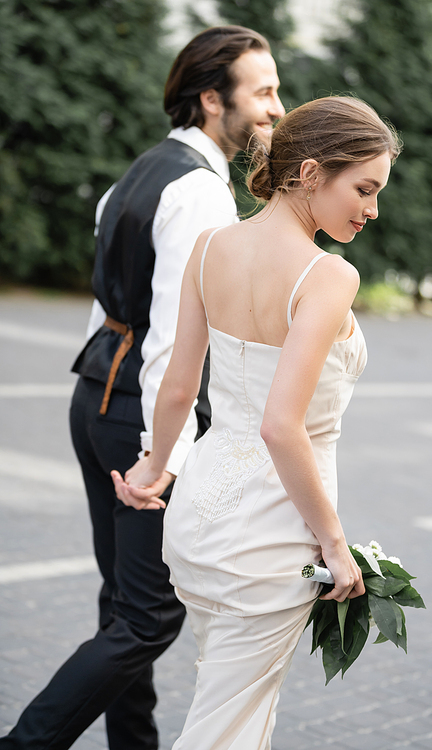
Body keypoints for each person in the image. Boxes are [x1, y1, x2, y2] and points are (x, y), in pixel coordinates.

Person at [0, 25, 284, 750]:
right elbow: (170, 343)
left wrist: (109, 403)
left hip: (94, 398)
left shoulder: (137, 172)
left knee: (122, 604)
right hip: (136, 413)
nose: (277, 109)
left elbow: (108, 313)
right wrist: (165, 454)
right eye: (264, 92)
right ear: (210, 99)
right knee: (149, 617)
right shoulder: (200, 194)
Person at [112, 95, 402, 749]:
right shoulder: (328, 275)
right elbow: (280, 426)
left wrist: (155, 470)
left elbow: (179, 384)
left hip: (198, 522)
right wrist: (333, 543)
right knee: (224, 730)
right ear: (309, 173)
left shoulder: (212, 245)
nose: (373, 209)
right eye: (364, 188)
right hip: (268, 536)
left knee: (238, 713)